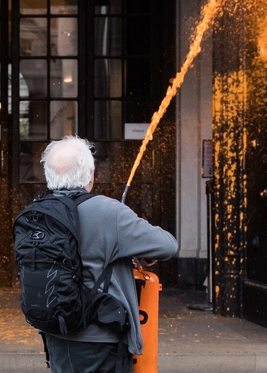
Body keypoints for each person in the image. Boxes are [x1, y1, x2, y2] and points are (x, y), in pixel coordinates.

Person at [39, 136, 178, 373]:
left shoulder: (39, 212)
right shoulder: (107, 211)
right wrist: (131, 250)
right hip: (101, 339)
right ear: (90, 174)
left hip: (56, 334)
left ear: (48, 174)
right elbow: (168, 245)